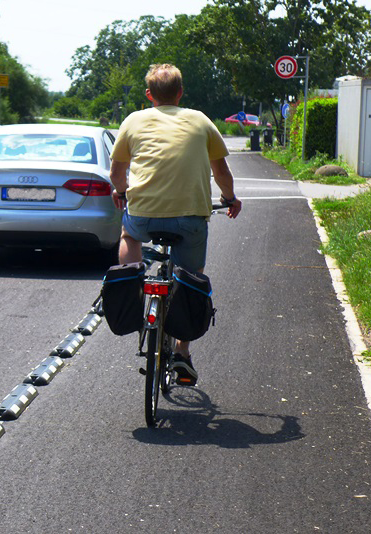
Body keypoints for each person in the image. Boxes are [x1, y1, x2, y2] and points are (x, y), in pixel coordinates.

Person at [109, 63, 242, 386]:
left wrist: (121, 191)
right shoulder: (199, 120)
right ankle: (182, 352)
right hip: (189, 218)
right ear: (180, 93)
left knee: (129, 232)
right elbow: (221, 172)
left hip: (143, 214)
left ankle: (133, 282)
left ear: (149, 95)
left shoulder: (133, 120)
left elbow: (117, 172)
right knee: (189, 279)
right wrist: (231, 198)